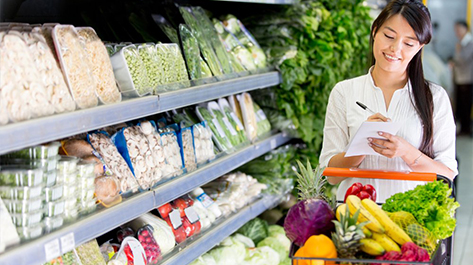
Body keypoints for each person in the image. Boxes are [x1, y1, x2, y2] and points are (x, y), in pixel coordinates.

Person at [319, 0, 458, 203]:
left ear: (420, 47)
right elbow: (330, 175)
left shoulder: (435, 97)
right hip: (355, 220)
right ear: (375, 31)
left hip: (412, 222)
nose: (395, 48)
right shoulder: (344, 92)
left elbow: (446, 174)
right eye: (389, 36)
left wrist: (407, 152)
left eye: (408, 43)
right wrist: (361, 144)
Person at [452, 20, 473, 136]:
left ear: (466, 29)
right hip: (461, 78)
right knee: (461, 103)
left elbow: (462, 59)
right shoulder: (462, 43)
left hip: (467, 78)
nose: (457, 32)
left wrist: (458, 50)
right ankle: (463, 128)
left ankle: (466, 129)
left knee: (465, 104)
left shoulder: (469, 43)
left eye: (459, 30)